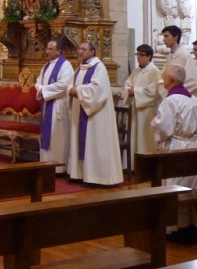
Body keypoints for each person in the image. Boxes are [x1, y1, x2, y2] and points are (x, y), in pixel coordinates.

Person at [151, 64, 197, 242]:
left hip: (178, 147)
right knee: (192, 186)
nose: (163, 78)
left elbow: (164, 127)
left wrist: (154, 126)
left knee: (176, 187)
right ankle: (192, 225)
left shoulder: (171, 101)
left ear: (171, 80)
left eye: (165, 76)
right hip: (195, 146)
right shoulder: (193, 99)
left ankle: (178, 228)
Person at [67, 41, 123, 185]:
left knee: (95, 143)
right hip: (81, 110)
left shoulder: (99, 68)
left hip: (95, 114)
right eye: (79, 48)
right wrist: (70, 90)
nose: (80, 51)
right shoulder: (80, 68)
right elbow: (71, 84)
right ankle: (80, 173)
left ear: (92, 52)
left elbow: (98, 90)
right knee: (81, 141)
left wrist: (77, 90)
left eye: (83, 49)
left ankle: (98, 176)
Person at [36, 39, 73, 173]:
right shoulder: (46, 66)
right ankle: (46, 163)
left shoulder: (65, 65)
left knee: (58, 137)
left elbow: (64, 85)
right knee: (47, 135)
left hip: (58, 106)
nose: (47, 51)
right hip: (47, 105)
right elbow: (38, 81)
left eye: (51, 49)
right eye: (47, 48)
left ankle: (58, 168)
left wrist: (44, 90)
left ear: (59, 51)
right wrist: (41, 89)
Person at [122, 44, 161, 165]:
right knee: (134, 136)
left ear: (149, 56)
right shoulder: (137, 70)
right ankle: (133, 164)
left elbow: (154, 91)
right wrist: (129, 90)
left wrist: (136, 91)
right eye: (137, 54)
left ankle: (146, 165)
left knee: (145, 138)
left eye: (141, 55)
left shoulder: (155, 72)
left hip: (147, 111)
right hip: (135, 108)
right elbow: (127, 84)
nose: (138, 57)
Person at [161, 25, 197, 98]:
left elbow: (194, 81)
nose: (164, 39)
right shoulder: (170, 56)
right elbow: (163, 76)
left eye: (166, 36)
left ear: (175, 37)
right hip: (172, 97)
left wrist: (176, 91)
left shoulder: (185, 55)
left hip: (182, 99)